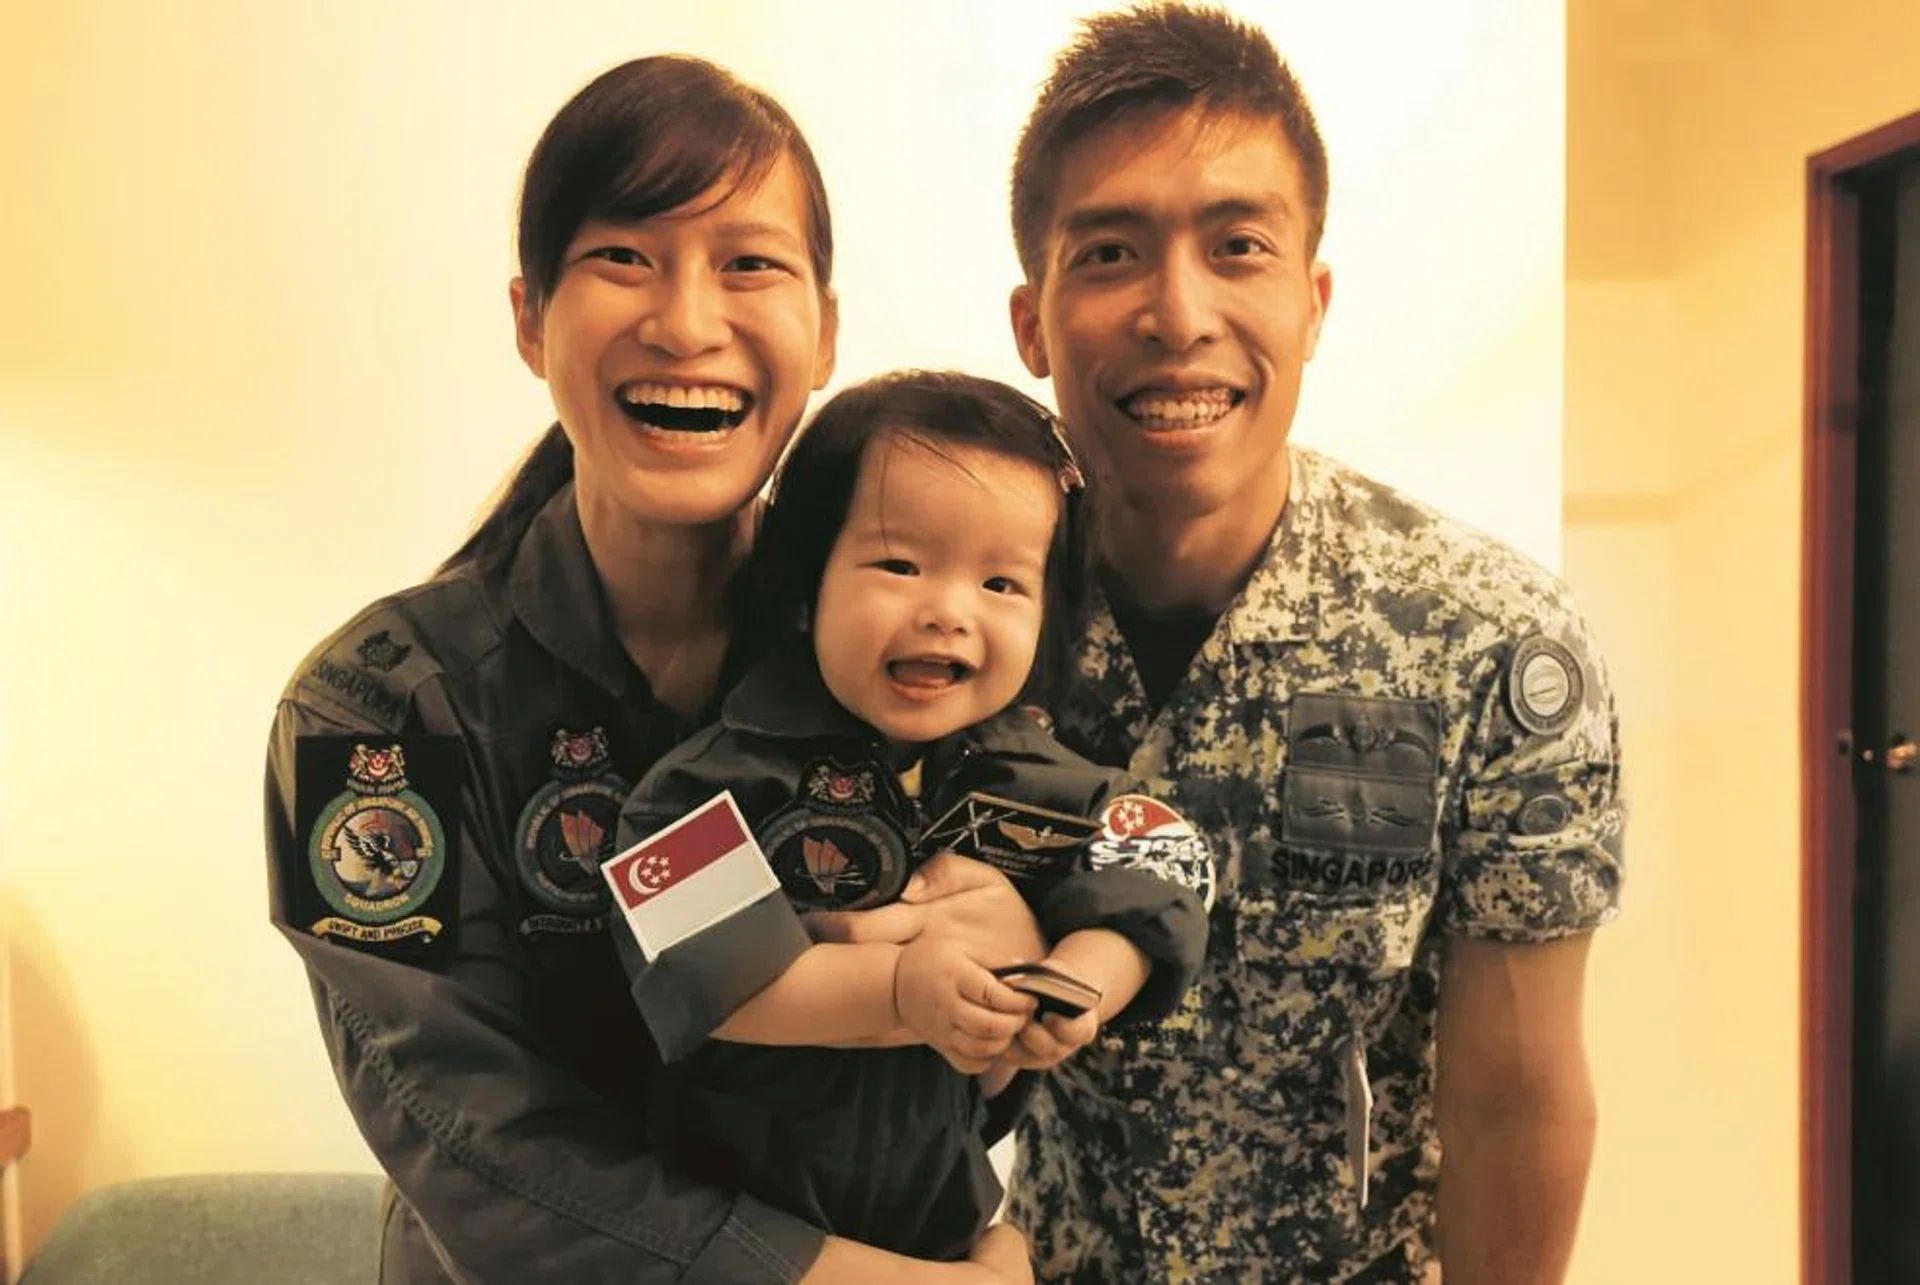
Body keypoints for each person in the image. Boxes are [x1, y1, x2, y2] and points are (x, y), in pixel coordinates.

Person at [264, 54, 1040, 1285]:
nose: (687, 323)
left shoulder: (917, 677)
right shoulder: (368, 712)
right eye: (623, 256)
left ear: (826, 331)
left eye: (750, 264)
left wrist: (1011, 976)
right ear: (530, 318)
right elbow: (464, 1138)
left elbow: (960, 1082)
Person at [995, 5, 1627, 1281]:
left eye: (1239, 246)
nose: (1179, 314)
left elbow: (1515, 1099)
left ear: (1313, 299)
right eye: (1109, 253)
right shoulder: (961, 620)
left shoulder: (1486, 644)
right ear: (1033, 322)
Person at [603, 370, 1214, 1261]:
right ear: (804, 586)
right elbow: (709, 977)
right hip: (735, 1237)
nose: (949, 612)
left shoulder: (1037, 777)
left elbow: (1167, 854)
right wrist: (897, 991)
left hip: (939, 1240)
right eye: (900, 565)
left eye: (1002, 582)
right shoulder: (715, 780)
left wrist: (1080, 978)